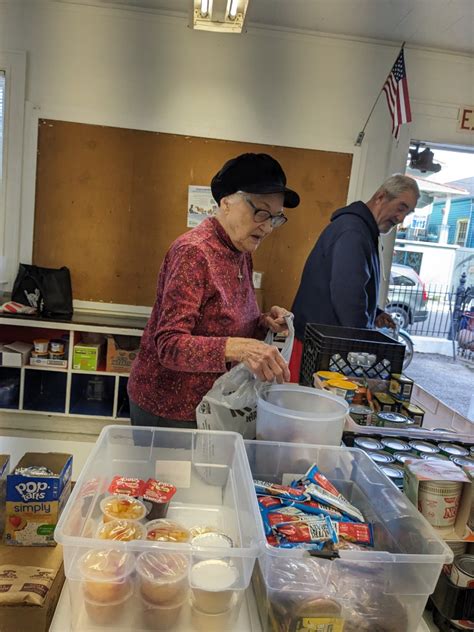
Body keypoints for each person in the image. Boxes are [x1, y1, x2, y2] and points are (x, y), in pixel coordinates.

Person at [128, 153, 300, 428]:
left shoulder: (240, 249)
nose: (268, 227)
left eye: (276, 218)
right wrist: (240, 348)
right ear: (227, 203)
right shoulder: (194, 253)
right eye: (262, 212)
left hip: (211, 405)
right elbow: (170, 345)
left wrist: (262, 322)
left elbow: (221, 318)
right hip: (170, 409)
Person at [289, 174, 420, 381]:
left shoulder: (360, 229)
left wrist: (373, 312)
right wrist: (363, 347)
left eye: (408, 212)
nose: (401, 218)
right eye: (401, 207)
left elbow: (351, 285)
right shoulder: (353, 231)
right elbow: (347, 297)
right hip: (320, 349)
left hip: (324, 343)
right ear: (381, 197)